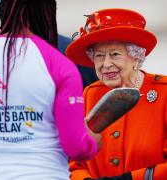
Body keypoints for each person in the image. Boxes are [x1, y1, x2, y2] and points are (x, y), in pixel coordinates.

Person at [0, 0, 101, 179]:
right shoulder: (60, 63)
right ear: (48, 14)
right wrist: (92, 142)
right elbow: (75, 147)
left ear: (3, 11)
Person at [66, 8, 167, 180]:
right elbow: (75, 162)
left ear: (136, 57)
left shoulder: (163, 92)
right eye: (99, 55)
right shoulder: (90, 95)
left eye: (115, 54)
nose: (106, 64)